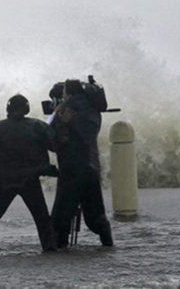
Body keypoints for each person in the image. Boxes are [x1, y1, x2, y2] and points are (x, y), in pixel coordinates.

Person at [0, 94, 57, 251]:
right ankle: (49, 249)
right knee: (42, 218)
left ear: (8, 109)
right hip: (30, 180)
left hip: (5, 180)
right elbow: (56, 145)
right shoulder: (38, 126)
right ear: (26, 108)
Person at [49, 78, 113, 248]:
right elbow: (86, 136)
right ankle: (108, 244)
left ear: (68, 93)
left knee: (60, 218)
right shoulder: (93, 110)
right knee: (95, 215)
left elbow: (56, 143)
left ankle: (60, 247)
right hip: (91, 169)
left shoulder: (65, 110)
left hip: (71, 170)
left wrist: (61, 123)